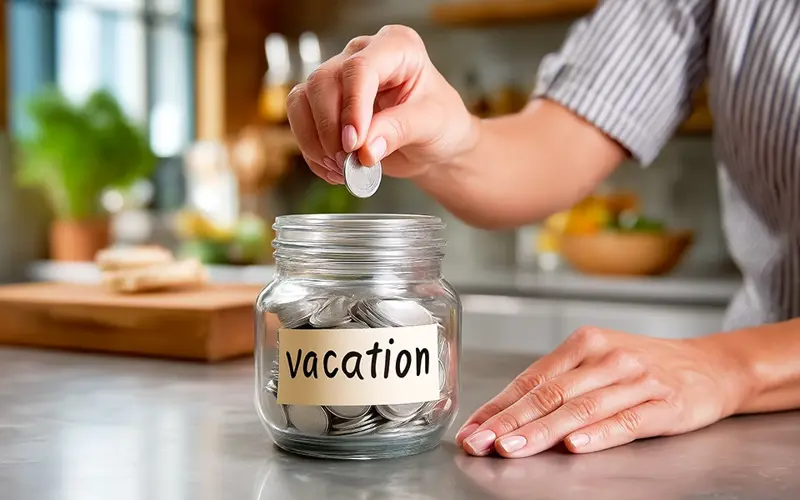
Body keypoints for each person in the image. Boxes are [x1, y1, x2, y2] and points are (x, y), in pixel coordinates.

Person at [286, 1, 800, 459]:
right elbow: (560, 144)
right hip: (744, 427)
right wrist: (455, 138)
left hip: (735, 390)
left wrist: (733, 366)